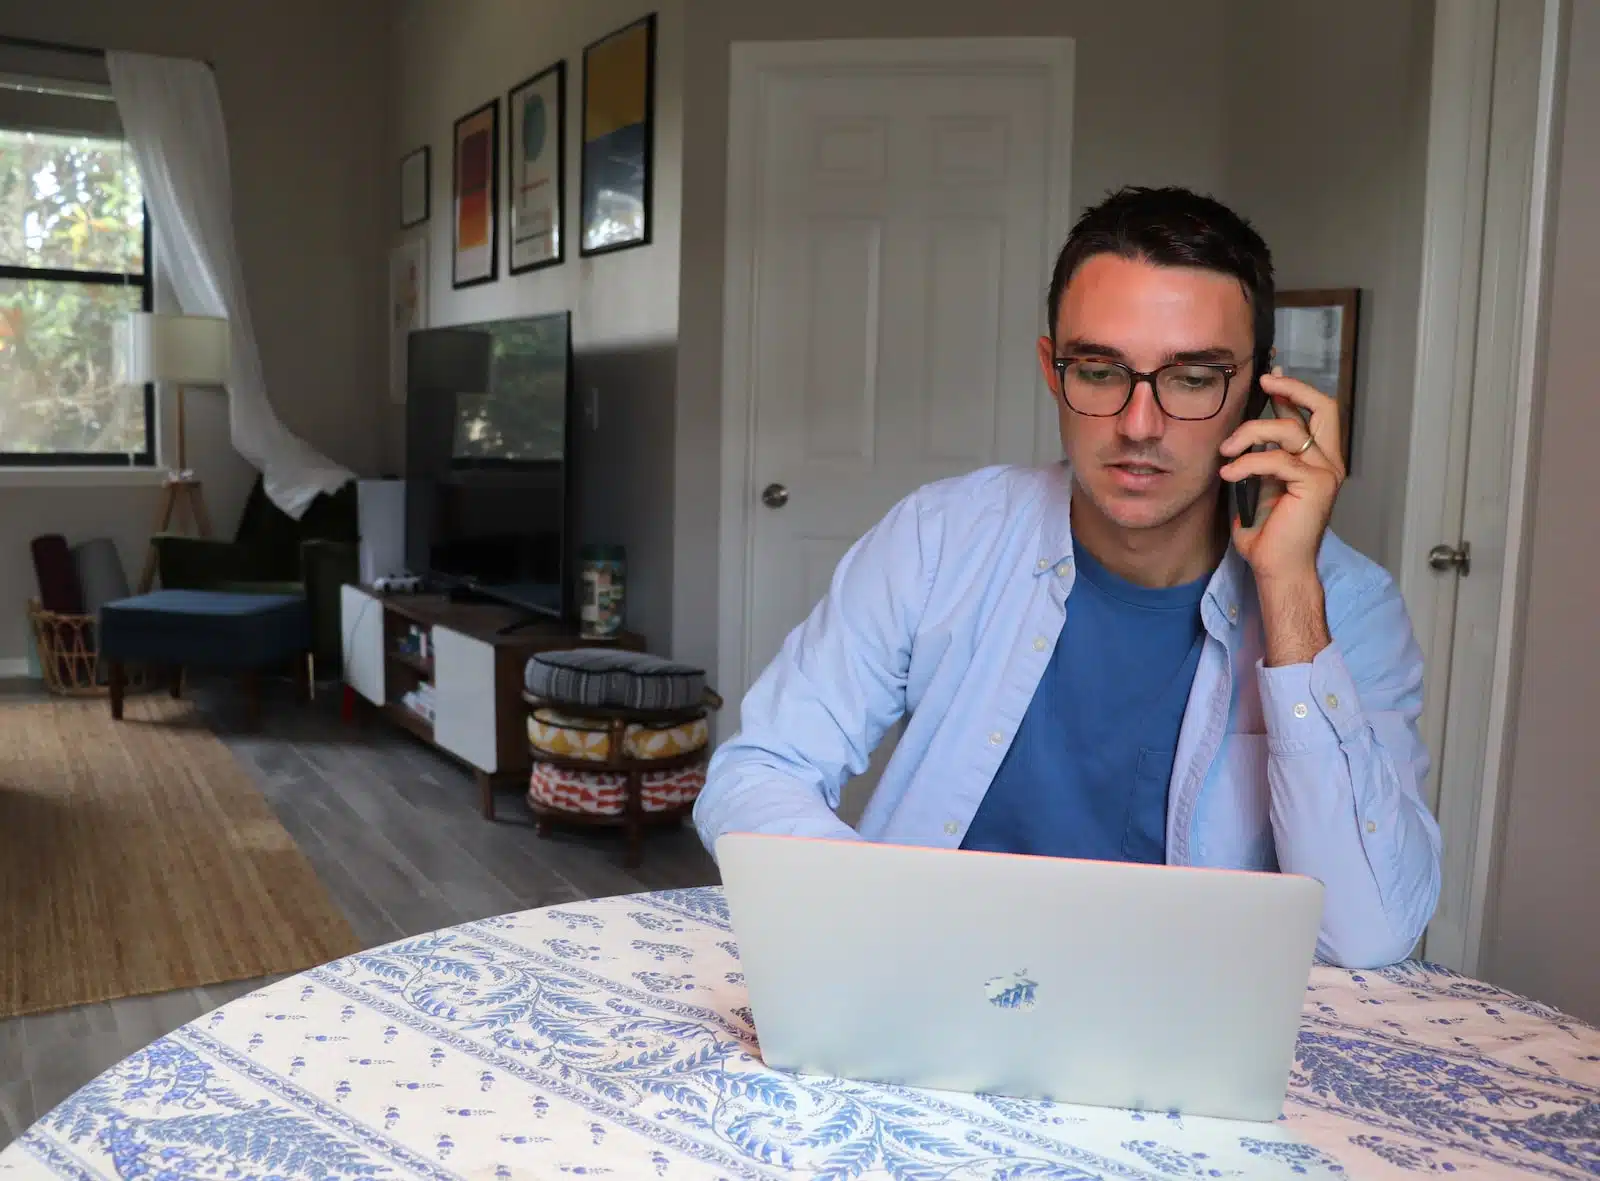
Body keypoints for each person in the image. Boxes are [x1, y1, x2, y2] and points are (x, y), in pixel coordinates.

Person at [693, 186, 1441, 969]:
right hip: (928, 982)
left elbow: (1371, 931)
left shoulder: (1342, 606)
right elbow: (760, 768)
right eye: (1100, 369)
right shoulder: (941, 537)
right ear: (1054, 369)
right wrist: (886, 914)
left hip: (1181, 1021)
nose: (1139, 425)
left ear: (1257, 391)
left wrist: (1289, 596)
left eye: (1192, 378)